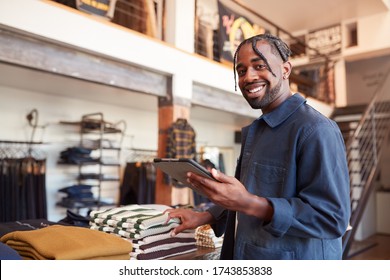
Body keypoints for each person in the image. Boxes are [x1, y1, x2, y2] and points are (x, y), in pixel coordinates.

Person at [165, 33, 351, 260]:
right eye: (241, 71)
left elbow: (332, 218)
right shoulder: (258, 130)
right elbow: (251, 193)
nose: (248, 77)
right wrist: (206, 216)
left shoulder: (316, 129)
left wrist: (248, 202)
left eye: (259, 66)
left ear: (285, 70)